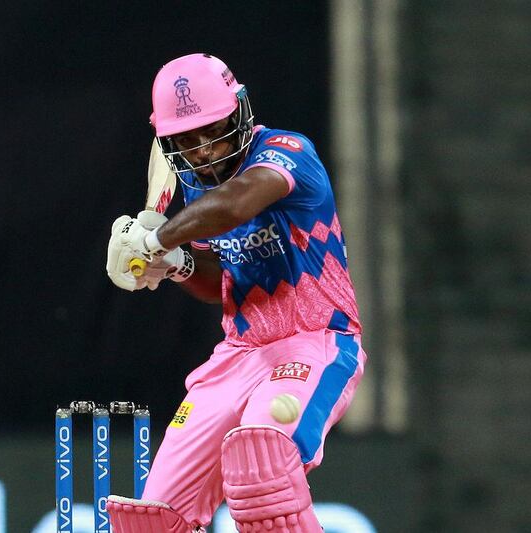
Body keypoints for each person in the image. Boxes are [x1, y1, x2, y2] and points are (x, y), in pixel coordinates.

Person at [105, 53, 367, 533]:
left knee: (262, 470)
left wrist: (155, 239)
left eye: (214, 130)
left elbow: (237, 203)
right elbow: (216, 280)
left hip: (314, 342)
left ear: (240, 110)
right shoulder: (193, 184)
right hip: (237, 354)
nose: (204, 151)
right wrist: (176, 264)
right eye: (187, 140)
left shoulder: (287, 152)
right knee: (154, 520)